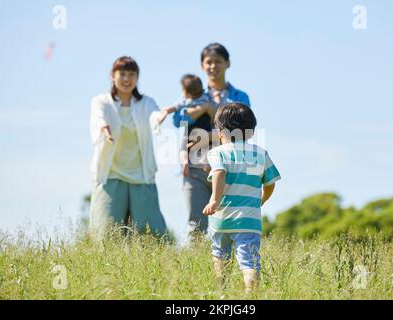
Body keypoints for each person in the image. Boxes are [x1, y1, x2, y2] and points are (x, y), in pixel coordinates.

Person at [203, 103, 281, 294]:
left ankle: (222, 294)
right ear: (252, 132)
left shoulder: (217, 152)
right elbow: (270, 182)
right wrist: (262, 200)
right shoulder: (259, 154)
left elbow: (220, 172)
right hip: (249, 219)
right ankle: (250, 295)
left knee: (221, 256)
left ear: (219, 131)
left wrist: (214, 200)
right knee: (249, 261)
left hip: (222, 217)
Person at [89, 56, 169, 240]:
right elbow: (98, 117)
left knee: (151, 233)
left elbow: (154, 115)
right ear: (112, 75)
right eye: (122, 74)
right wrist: (105, 128)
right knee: (106, 233)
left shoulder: (146, 102)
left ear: (137, 77)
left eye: (131, 74)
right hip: (110, 174)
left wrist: (162, 114)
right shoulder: (102, 101)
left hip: (141, 176)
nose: (127, 79)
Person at [181, 43, 251, 241]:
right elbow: (179, 120)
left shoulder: (240, 97)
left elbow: (243, 129)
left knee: (229, 219)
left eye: (218, 61)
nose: (213, 66)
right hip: (196, 164)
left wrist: (205, 132)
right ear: (202, 65)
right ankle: (197, 266)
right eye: (209, 62)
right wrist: (202, 108)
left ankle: (226, 264)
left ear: (228, 63)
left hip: (231, 165)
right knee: (196, 223)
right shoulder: (194, 95)